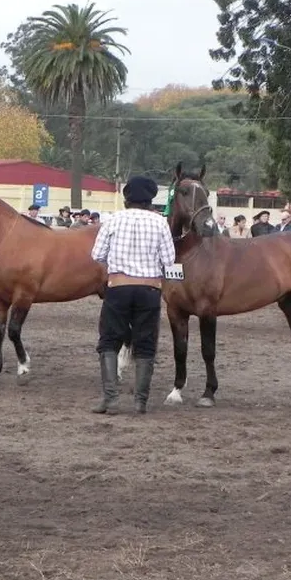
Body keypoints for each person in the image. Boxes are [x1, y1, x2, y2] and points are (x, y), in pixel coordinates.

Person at [90, 175, 176, 415]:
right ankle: (140, 401)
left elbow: (97, 254)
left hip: (118, 286)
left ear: (126, 199)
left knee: (109, 340)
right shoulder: (160, 223)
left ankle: (110, 399)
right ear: (150, 201)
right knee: (146, 342)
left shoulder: (113, 220)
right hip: (149, 289)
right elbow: (168, 260)